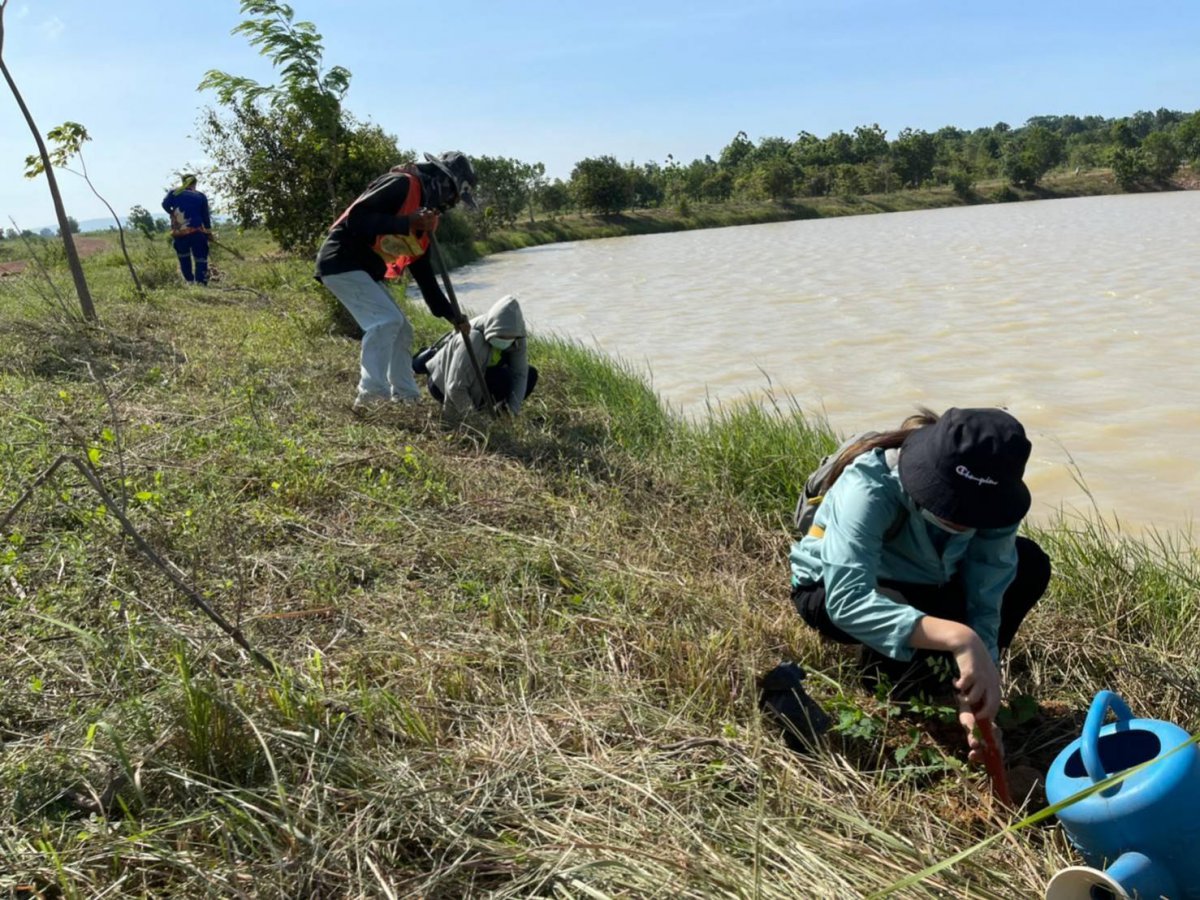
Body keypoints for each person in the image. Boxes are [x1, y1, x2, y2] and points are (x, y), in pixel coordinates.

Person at [787, 407, 1051, 761]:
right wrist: (959, 638)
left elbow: (986, 599)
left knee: (1029, 563)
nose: (961, 519)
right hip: (838, 589)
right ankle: (886, 667)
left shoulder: (998, 502)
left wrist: (976, 689)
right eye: (951, 504)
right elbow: (846, 600)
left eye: (974, 513)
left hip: (930, 584)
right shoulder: (870, 484)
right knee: (909, 656)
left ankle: (942, 674)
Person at [315, 151, 479, 414]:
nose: (451, 204)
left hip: (363, 271)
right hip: (340, 261)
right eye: (453, 195)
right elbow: (357, 218)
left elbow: (426, 280)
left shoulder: (425, 223)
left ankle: (405, 396)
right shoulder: (402, 184)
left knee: (403, 329)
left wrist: (453, 315)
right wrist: (407, 221)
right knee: (386, 321)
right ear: (442, 182)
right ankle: (371, 398)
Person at [413, 294, 538, 425]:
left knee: (529, 374)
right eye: (501, 336)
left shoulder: (518, 336)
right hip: (442, 383)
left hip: (480, 374)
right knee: (495, 382)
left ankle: (500, 417)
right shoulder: (473, 337)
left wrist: (512, 413)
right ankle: (477, 413)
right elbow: (455, 387)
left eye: (509, 337)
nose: (505, 340)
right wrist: (477, 422)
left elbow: (520, 374)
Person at [161, 173, 212, 286]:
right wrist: (208, 232)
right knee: (201, 258)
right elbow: (205, 216)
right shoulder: (200, 196)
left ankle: (189, 281)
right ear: (195, 183)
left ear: (183, 182)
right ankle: (201, 283)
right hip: (198, 232)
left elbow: (164, 204)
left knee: (184, 257)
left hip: (179, 232)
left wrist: (173, 213)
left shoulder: (174, 192)